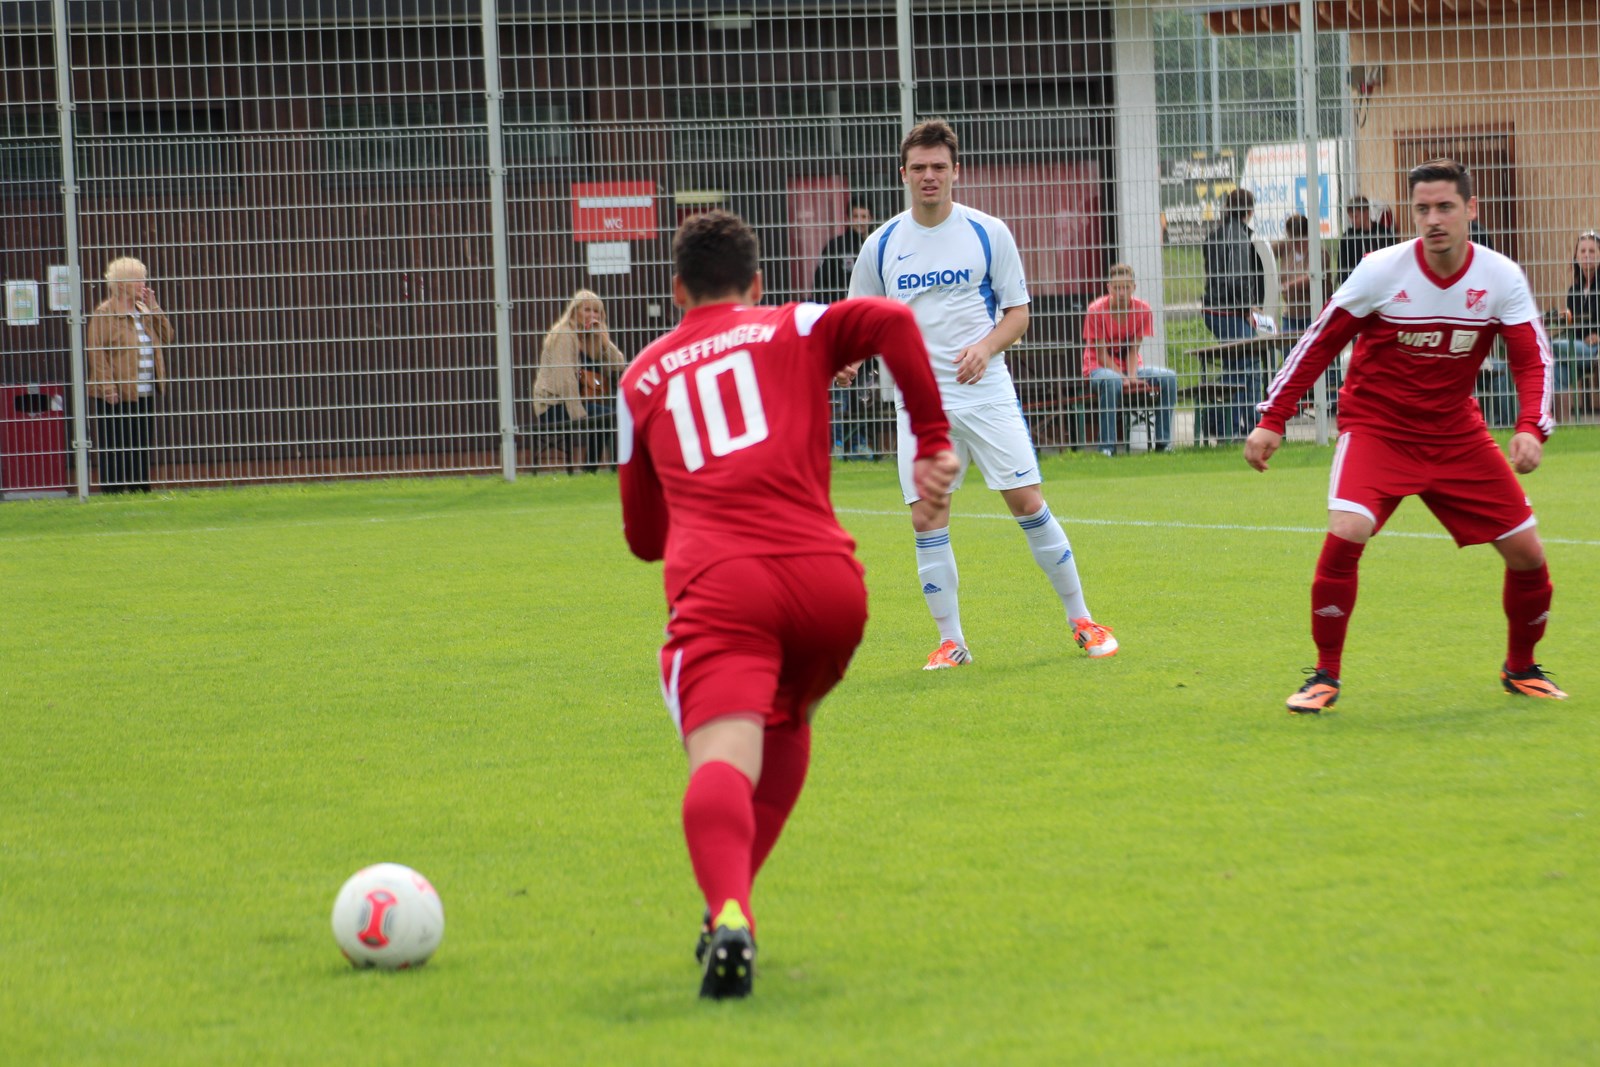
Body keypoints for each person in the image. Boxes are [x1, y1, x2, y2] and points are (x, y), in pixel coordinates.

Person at [617, 210, 957, 1000]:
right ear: (757, 283)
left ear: (677, 292)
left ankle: (729, 906)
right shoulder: (794, 324)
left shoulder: (643, 376)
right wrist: (932, 436)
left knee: (723, 756)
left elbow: (642, 538)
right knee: (787, 720)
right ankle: (727, 912)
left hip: (727, 590)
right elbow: (893, 319)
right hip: (829, 588)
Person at [1245, 159, 1565, 712]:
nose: (1434, 219)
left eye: (1445, 207)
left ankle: (1522, 667)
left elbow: (1532, 361)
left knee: (1528, 555)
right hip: (1378, 429)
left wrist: (1531, 427)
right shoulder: (1380, 270)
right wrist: (1274, 417)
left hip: (1456, 433)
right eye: (1423, 209)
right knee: (1348, 529)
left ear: (1471, 210)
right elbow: (1319, 342)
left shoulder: (1501, 277)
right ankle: (1324, 674)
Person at [845, 118, 1118, 668]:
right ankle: (952, 642)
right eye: (919, 168)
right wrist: (847, 357)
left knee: (1027, 503)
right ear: (903, 174)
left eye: (938, 167)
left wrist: (985, 348)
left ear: (956, 172)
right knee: (928, 516)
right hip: (920, 404)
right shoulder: (881, 245)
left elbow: (1018, 313)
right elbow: (859, 320)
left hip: (985, 391)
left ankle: (1083, 620)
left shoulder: (987, 231)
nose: (929, 177)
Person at [86, 257, 172, 493]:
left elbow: (167, 336)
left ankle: (139, 489)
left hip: (143, 389)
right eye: (138, 280)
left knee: (140, 442)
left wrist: (154, 306)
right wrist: (108, 388)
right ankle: (113, 490)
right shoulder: (104, 313)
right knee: (115, 442)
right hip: (116, 391)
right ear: (122, 284)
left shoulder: (143, 310)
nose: (143, 284)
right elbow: (97, 353)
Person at [1081, 264, 1177, 454]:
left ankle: (1163, 443)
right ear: (1109, 288)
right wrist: (1124, 378)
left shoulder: (1143, 310)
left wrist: (1132, 376)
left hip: (1130, 367)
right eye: (1117, 288)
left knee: (1169, 377)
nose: (1122, 292)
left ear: (1133, 287)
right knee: (1111, 381)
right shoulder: (1096, 310)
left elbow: (1133, 349)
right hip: (1098, 366)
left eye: (1126, 287)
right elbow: (1101, 354)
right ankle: (1107, 448)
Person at [1201, 187, 1268, 441]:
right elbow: (1237, 278)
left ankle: (1220, 423)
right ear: (1250, 211)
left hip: (1214, 308)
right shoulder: (1238, 236)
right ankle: (1247, 426)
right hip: (1229, 310)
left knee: (1234, 366)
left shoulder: (1216, 233)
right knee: (1248, 365)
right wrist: (1247, 308)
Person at [532, 290, 625, 471]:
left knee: (608, 416)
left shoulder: (590, 336)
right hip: (553, 405)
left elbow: (618, 366)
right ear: (575, 311)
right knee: (605, 417)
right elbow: (564, 379)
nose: (592, 315)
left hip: (577, 402)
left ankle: (594, 469)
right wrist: (579, 414)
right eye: (587, 310)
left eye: (597, 311)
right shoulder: (565, 335)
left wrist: (605, 341)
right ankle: (600, 469)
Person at [1552, 230, 1600, 423]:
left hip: (1595, 347)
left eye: (1592, 251)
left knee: (1548, 345)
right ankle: (1563, 427)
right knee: (1555, 369)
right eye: (1582, 251)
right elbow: (1574, 325)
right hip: (1579, 345)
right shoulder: (1575, 290)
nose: (1587, 255)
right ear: (1576, 256)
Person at [811, 200, 873, 303]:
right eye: (856, 216)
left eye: (864, 217)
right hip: (841, 307)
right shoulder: (835, 246)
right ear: (848, 218)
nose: (860, 221)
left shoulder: (875, 245)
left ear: (871, 219)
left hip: (868, 306)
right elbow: (820, 283)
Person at [1336, 195, 1397, 284]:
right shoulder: (1348, 237)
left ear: (1366, 212)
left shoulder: (1383, 233)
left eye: (1355, 217)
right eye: (1350, 218)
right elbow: (1342, 270)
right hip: (1357, 285)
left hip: (1381, 283)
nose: (1352, 221)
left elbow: (1392, 262)